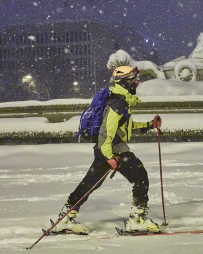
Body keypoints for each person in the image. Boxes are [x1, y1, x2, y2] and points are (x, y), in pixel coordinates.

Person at [52, 65, 162, 235]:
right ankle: (137, 220)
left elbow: (126, 127)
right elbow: (106, 131)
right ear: (125, 81)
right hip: (115, 151)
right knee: (141, 178)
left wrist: (150, 125)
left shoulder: (120, 100)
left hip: (107, 150)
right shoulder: (117, 102)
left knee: (89, 184)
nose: (137, 82)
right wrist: (109, 156)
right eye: (133, 79)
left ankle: (65, 218)